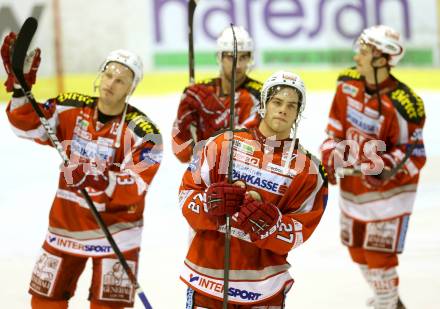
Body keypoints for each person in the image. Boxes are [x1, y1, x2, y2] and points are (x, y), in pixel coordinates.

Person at [2, 32, 162, 309]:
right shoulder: (70, 107)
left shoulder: (145, 134)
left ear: (130, 89)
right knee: (43, 300)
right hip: (67, 224)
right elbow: (26, 127)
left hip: (117, 233)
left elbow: (136, 185)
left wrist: (99, 179)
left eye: (120, 80)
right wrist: (20, 88)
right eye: (108, 74)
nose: (111, 83)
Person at [179, 71, 328, 308]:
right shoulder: (221, 143)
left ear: (298, 112)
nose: (283, 110)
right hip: (208, 279)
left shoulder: (310, 170)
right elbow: (186, 195)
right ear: (264, 104)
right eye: (277, 102)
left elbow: (299, 230)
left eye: (291, 105)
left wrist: (271, 224)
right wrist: (210, 204)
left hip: (264, 288)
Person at [319, 25, 426, 309]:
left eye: (364, 51)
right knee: (356, 251)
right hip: (352, 190)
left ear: (381, 58)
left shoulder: (406, 103)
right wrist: (331, 153)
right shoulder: (346, 84)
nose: (358, 56)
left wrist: (383, 168)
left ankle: (388, 303)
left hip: (389, 197)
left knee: (379, 257)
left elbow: (414, 154)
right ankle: (387, 299)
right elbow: (335, 129)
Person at [172, 25, 263, 163]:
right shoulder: (196, 94)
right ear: (220, 57)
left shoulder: (260, 95)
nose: (238, 65)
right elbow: (182, 154)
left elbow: (253, 148)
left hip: (246, 175)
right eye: (231, 57)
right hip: (206, 175)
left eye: (243, 57)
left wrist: (215, 123)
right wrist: (184, 124)